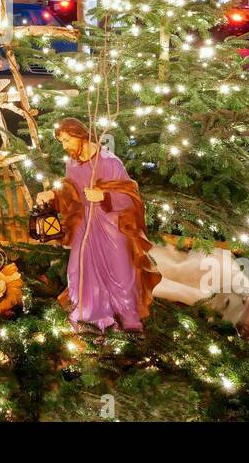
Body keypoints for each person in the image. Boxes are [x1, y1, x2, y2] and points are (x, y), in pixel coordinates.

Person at [35, 118, 160, 332]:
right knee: (80, 270)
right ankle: (91, 315)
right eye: (61, 142)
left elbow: (130, 197)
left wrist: (103, 195)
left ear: (80, 135)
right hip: (86, 225)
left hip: (111, 226)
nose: (64, 146)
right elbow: (71, 194)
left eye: (66, 140)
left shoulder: (109, 161)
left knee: (121, 272)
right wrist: (52, 194)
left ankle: (127, 318)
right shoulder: (72, 163)